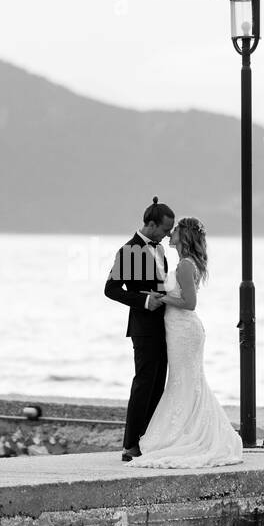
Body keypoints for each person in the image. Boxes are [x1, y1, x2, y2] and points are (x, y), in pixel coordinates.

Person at [129, 216, 243, 469]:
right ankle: (186, 433)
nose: (171, 233)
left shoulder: (185, 266)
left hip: (183, 329)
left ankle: (189, 436)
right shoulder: (183, 263)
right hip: (178, 329)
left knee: (186, 381)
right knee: (185, 381)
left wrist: (160, 297)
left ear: (185, 236)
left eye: (176, 230)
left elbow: (189, 303)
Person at [104, 197, 174, 461]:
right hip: (143, 328)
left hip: (165, 326)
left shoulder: (159, 250)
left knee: (157, 385)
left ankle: (148, 440)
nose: (168, 236)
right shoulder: (130, 250)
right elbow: (111, 290)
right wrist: (145, 301)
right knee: (144, 384)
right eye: (166, 230)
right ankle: (129, 445)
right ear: (152, 225)